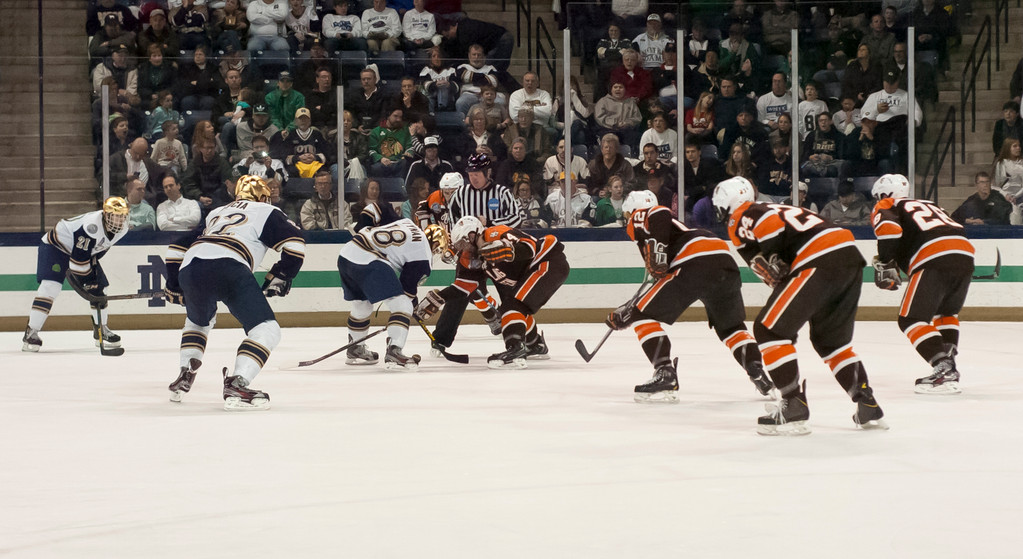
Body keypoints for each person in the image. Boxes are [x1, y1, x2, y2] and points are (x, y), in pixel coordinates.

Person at [711, 176, 888, 435]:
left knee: (769, 330)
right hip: (848, 257)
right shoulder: (784, 208)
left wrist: (773, 254)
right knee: (832, 343)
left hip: (817, 258)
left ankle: (793, 404)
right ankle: (867, 403)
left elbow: (767, 224)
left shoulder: (744, 213)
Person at [607, 190, 772, 402]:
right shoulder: (674, 232)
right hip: (723, 260)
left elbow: (659, 213)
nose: (627, 220)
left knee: (643, 315)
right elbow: (661, 287)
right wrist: (629, 309)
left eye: (627, 215)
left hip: (694, 260)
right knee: (731, 328)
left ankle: (665, 372)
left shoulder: (642, 217)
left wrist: (634, 312)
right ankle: (756, 370)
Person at [164, 175, 305, 410]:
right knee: (266, 329)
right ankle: (237, 383)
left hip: (192, 266)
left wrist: (174, 284)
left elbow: (176, 248)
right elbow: (296, 244)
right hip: (230, 266)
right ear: (263, 197)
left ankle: (185, 372)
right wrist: (282, 274)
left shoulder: (217, 212)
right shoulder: (267, 210)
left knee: (197, 322)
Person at [870, 173, 975, 394]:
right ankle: (949, 364)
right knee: (946, 313)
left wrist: (886, 261)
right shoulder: (931, 204)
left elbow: (889, 229)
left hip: (933, 256)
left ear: (883, 194)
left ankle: (943, 367)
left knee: (910, 319)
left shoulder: (888, 204)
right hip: (965, 253)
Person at [416, 215, 568, 368]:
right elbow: (463, 287)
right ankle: (535, 345)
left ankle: (515, 349)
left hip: (548, 261)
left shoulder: (495, 233)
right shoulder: (471, 259)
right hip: (533, 270)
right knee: (515, 308)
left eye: (464, 243)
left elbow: (530, 247)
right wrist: (439, 298)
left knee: (512, 306)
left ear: (473, 234)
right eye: (459, 245)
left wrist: (510, 251)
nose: (463, 249)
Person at [429, 154, 519, 351]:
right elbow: (452, 221)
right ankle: (440, 340)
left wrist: (491, 223)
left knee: (510, 296)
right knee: (460, 293)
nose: (473, 177)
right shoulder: (461, 194)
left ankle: (525, 340)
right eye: (470, 174)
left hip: (499, 252)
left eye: (477, 173)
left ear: (488, 172)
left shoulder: (502, 192)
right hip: (470, 253)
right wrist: (457, 243)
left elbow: (516, 218)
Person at [21, 197, 130, 353]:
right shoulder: (90, 227)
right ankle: (31, 332)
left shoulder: (123, 229)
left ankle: (101, 329)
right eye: (115, 216)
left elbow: (99, 248)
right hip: (56, 248)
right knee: (50, 287)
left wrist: (94, 284)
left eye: (122, 216)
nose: (119, 221)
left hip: (82, 252)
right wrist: (88, 280)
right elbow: (77, 263)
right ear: (106, 215)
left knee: (101, 289)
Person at [339, 217, 447, 371]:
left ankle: (355, 347)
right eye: (437, 249)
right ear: (435, 244)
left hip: (347, 254)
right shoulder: (423, 256)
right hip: (369, 259)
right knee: (403, 306)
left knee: (362, 303)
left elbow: (379, 214)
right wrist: (410, 310)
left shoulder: (407, 223)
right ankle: (394, 351)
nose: (435, 252)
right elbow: (406, 292)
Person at [440, 16, 516, 77]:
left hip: (500, 40)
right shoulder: (464, 25)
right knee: (496, 69)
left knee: (491, 69)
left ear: (451, 27)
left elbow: (467, 50)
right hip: (501, 37)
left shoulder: (464, 31)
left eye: (448, 35)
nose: (449, 38)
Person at [270, 108, 332, 178]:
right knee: (291, 171)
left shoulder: (317, 134)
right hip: (297, 166)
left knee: (323, 171)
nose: (303, 121)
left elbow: (326, 154)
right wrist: (298, 158)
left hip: (315, 165)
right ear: (295, 121)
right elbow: (285, 157)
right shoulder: (291, 135)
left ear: (310, 121)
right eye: (300, 119)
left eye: (305, 119)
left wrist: (315, 157)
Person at [183, 139, 235, 211]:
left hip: (219, 198)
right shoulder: (194, 164)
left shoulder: (222, 162)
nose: (209, 150)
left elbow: (228, 181)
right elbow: (188, 184)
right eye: (207, 148)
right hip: (199, 198)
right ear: (201, 149)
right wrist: (199, 197)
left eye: (212, 148)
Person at [454, 45, 503, 116]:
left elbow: (493, 82)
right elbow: (462, 76)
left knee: (500, 101)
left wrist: (471, 78)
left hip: (488, 94)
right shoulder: (463, 67)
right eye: (474, 54)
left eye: (479, 55)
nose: (476, 57)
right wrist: (484, 77)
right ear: (469, 56)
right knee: (461, 102)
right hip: (469, 94)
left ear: (483, 56)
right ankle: (464, 122)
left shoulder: (491, 68)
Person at [680, 139, 725, 216]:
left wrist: (698, 189)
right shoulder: (684, 167)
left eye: (693, 151)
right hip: (691, 200)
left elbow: (710, 185)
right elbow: (685, 187)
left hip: (707, 198)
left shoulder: (709, 164)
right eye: (687, 152)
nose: (690, 154)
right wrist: (700, 188)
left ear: (699, 152)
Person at [594, 81, 643, 151]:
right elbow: (600, 117)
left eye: (621, 87)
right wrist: (615, 123)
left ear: (625, 90)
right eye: (615, 87)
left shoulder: (631, 102)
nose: (618, 89)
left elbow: (637, 117)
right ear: (611, 89)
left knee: (636, 136)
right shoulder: (603, 101)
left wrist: (627, 123)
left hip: (627, 129)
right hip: (608, 129)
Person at [368, 107, 414, 177]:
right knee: (376, 168)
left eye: (400, 117)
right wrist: (381, 158)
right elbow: (372, 150)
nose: (398, 119)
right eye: (395, 116)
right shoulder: (376, 131)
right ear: (388, 115)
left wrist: (408, 153)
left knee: (405, 164)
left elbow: (410, 146)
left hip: (400, 163)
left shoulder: (405, 130)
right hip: (382, 163)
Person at [801, 112, 849, 178]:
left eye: (825, 120)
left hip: (832, 163)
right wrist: (810, 157)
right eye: (821, 121)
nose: (823, 123)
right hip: (815, 164)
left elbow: (843, 154)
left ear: (830, 121)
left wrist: (831, 157)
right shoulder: (811, 136)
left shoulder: (839, 136)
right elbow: (805, 153)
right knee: (803, 168)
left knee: (836, 168)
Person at [177, 46, 220, 112]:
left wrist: (196, 83)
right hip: (192, 94)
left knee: (208, 101)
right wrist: (207, 81)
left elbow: (215, 84)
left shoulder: (213, 68)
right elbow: (185, 84)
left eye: (200, 54)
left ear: (206, 56)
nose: (197, 56)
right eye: (196, 54)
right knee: (187, 101)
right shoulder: (187, 68)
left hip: (208, 94)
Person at [345, 68, 387, 134]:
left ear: (375, 79)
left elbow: (384, 115)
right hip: (358, 130)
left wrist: (375, 129)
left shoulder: (384, 95)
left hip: (378, 130)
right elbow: (352, 113)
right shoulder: (355, 95)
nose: (366, 81)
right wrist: (357, 126)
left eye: (369, 79)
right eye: (363, 79)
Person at [420, 46, 459, 113]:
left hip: (448, 97)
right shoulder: (426, 70)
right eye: (434, 56)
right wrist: (435, 84)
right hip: (432, 94)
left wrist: (449, 84)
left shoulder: (451, 70)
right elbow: (424, 83)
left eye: (439, 56)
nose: (436, 58)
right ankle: (431, 113)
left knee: (443, 86)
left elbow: (457, 86)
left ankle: (442, 108)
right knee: (431, 96)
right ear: (430, 58)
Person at [994, 139, 1023, 223]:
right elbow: (997, 185)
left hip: (1020, 197)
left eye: (1019, 146)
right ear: (1008, 148)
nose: (1018, 148)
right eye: (1015, 146)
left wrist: (1016, 196)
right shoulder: (1001, 163)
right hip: (1006, 198)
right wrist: (1006, 195)